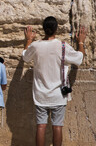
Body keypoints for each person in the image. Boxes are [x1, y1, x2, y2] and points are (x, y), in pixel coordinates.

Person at [23, 16, 86, 146]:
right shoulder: (62, 46)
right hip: (58, 94)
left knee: (41, 126)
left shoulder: (36, 46)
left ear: (43, 29)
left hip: (40, 94)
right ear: (56, 29)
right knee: (57, 126)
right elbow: (79, 59)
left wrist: (28, 40)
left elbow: (25, 57)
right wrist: (80, 42)